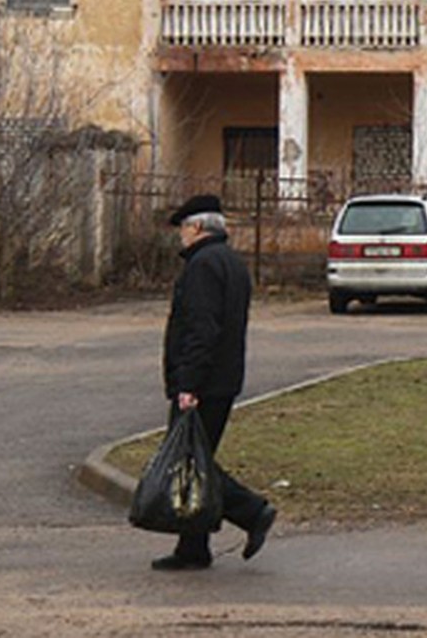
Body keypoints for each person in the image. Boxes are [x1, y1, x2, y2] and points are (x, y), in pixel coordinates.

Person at [151, 192, 277, 571]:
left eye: (184, 229)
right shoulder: (230, 262)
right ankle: (193, 546)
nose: (181, 236)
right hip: (222, 379)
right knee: (192, 462)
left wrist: (188, 384)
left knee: (192, 462)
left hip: (204, 384)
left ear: (198, 227)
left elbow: (202, 330)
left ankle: (252, 511)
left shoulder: (204, 266)